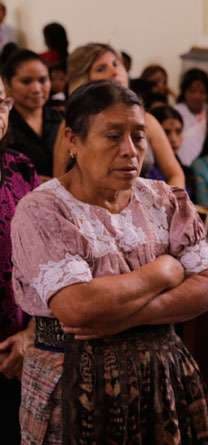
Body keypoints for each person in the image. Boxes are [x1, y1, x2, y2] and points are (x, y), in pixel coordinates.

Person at [11, 80, 208, 444]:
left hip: (161, 376)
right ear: (73, 140)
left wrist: (126, 316)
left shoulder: (163, 198)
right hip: (73, 376)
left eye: (138, 136)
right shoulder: (45, 209)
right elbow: (77, 306)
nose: (129, 150)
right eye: (112, 136)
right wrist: (164, 270)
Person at [55, 42, 185, 187]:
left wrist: (166, 206)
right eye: (101, 68)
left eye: (116, 64)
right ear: (84, 80)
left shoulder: (147, 120)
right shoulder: (72, 123)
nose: (114, 72)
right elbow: (60, 180)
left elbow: (176, 175)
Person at [0, 70, 39, 445]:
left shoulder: (21, 169)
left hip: (16, 350)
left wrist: (31, 334)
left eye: (1, 103)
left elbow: (44, 261)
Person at [2, 49, 62, 178]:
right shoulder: (4, 125)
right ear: (7, 84)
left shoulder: (62, 120)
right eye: (26, 81)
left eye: (43, 80)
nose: (36, 89)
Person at [147, 105, 194, 197]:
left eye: (178, 131)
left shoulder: (187, 171)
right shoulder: (144, 171)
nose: (173, 139)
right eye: (166, 132)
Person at [175, 68, 208, 166]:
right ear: (184, 92)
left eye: (202, 92)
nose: (197, 96)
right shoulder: (175, 112)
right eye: (192, 91)